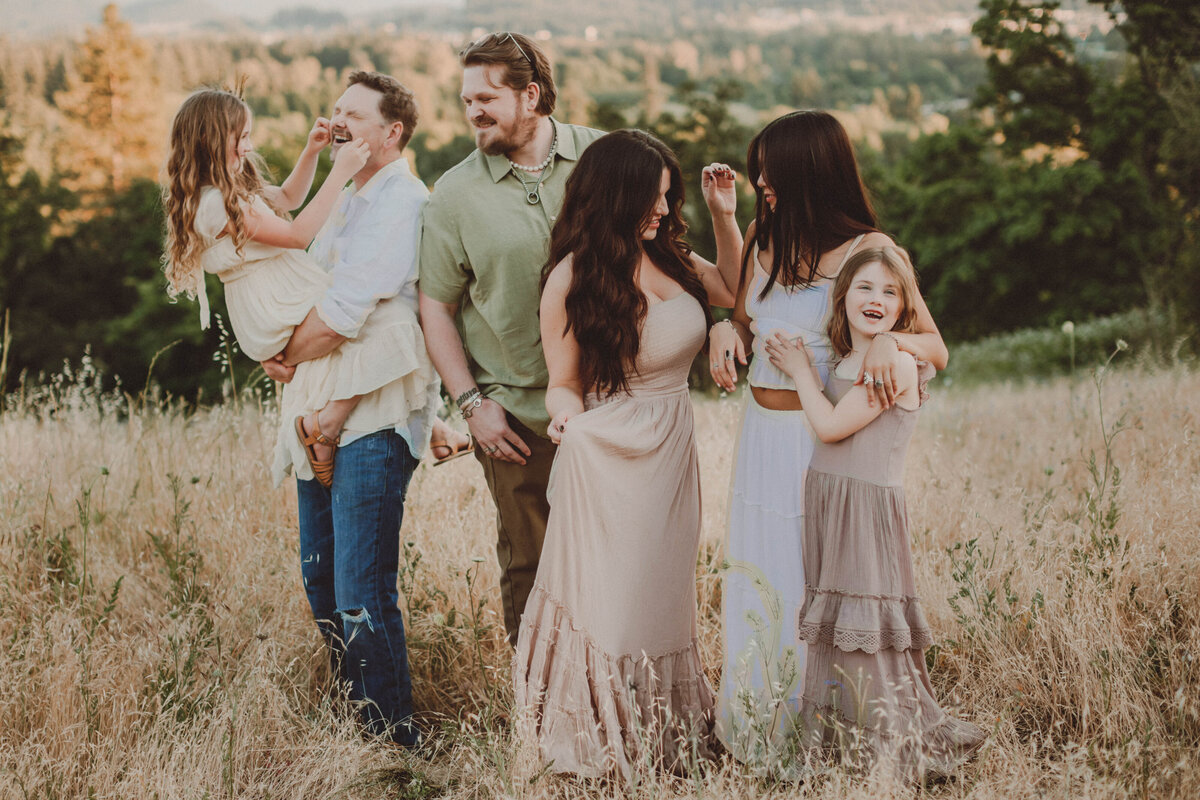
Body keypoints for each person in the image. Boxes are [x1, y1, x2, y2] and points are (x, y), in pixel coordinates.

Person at [162, 73, 438, 746]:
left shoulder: (401, 200)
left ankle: (389, 740)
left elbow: (345, 307)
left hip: (366, 407)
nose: (337, 120)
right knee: (323, 583)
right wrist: (280, 348)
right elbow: (295, 235)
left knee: (359, 589)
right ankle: (359, 727)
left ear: (391, 133)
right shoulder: (316, 200)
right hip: (315, 387)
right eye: (335, 110)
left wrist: (289, 346)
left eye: (352, 114)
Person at [707, 110, 949, 767]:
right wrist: (722, 330)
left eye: (771, 169)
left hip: (817, 444)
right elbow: (742, 313)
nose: (760, 180)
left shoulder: (872, 249)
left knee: (805, 580)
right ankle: (757, 728)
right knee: (759, 579)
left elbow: (936, 346)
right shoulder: (764, 233)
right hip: (758, 437)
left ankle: (819, 732)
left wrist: (891, 343)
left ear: (811, 171)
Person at [512, 129, 740, 779]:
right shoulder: (572, 277)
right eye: (653, 199)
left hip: (673, 447)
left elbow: (730, 287)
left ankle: (666, 736)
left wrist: (724, 214)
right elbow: (562, 381)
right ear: (615, 197)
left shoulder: (669, 257)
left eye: (669, 198)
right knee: (613, 603)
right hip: (610, 449)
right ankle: (602, 742)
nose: (665, 212)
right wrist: (566, 422)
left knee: (663, 597)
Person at [765, 246, 986, 778]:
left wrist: (799, 371)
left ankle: (892, 745)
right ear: (842, 299)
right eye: (864, 287)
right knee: (838, 622)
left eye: (891, 293)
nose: (876, 299)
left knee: (866, 622)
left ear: (904, 308)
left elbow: (831, 426)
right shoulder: (846, 360)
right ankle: (843, 740)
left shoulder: (901, 367)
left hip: (864, 511)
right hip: (829, 503)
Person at [417, 32, 606, 646]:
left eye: (486, 97)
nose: (472, 111)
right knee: (530, 569)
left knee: (618, 560)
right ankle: (542, 715)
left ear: (531, 95)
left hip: (616, 406)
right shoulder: (452, 195)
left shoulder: (607, 160)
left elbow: (665, 259)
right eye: (466, 99)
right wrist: (473, 404)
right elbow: (436, 307)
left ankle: (624, 700)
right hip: (517, 420)